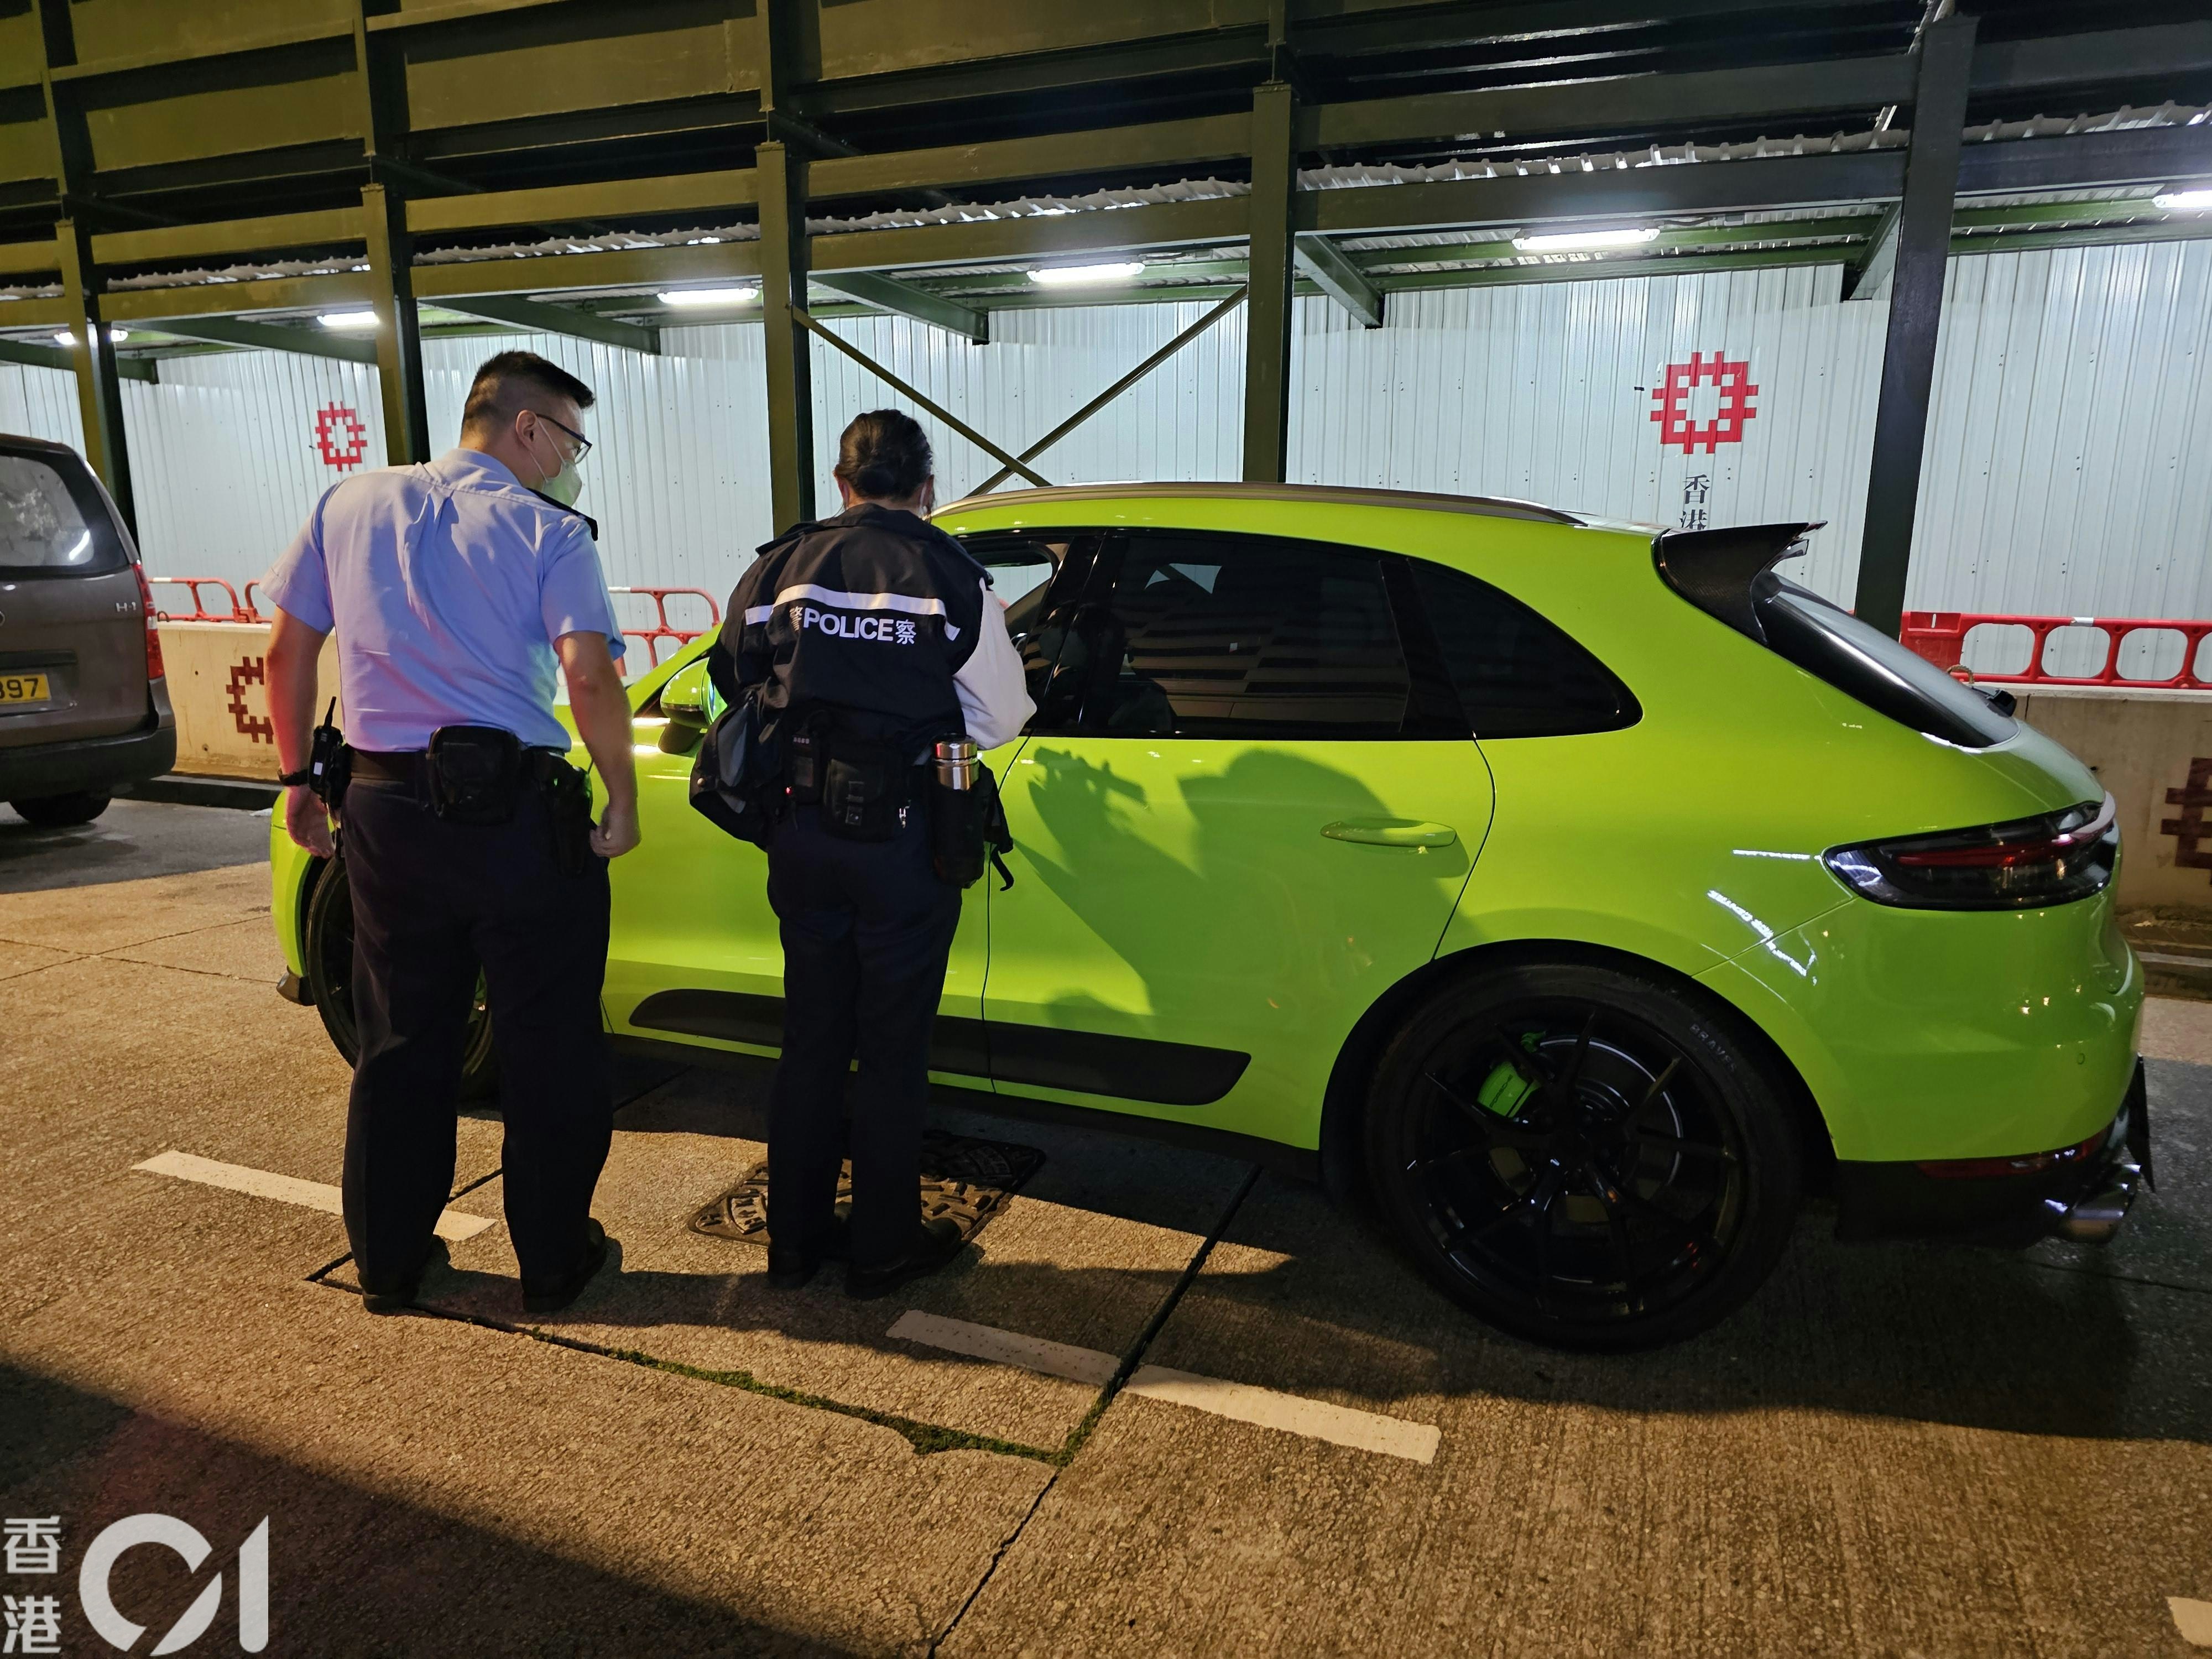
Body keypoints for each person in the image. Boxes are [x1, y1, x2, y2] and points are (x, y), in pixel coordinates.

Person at [261, 350, 641, 1317]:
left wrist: (298, 780)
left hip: (384, 810)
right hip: (516, 817)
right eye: (570, 438)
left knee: (401, 1037)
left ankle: (388, 1261)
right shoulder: (548, 530)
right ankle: (555, 1261)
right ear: (526, 428)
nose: (572, 460)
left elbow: (289, 648)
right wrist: (621, 795)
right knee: (547, 1041)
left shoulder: (348, 505)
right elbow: (588, 675)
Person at [722, 409, 1034, 1297]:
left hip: (802, 832)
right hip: (905, 840)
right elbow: (1002, 717)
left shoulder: (777, 567)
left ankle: (793, 1245)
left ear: (842, 483)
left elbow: (734, 675)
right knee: (893, 1049)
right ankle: (883, 1249)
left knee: (812, 1038)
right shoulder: (951, 573)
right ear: (927, 489)